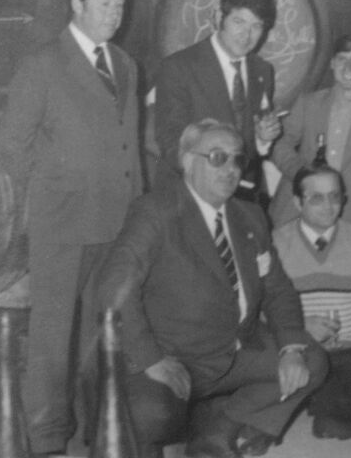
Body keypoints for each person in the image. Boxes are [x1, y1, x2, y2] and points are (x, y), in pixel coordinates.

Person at [96, 119, 326, 458]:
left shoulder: (250, 216)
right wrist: (150, 359)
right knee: (149, 417)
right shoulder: (155, 212)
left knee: (313, 361)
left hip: (237, 349)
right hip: (178, 357)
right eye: (218, 157)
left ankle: (220, 428)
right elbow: (113, 288)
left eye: (237, 159)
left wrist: (291, 348)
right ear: (188, 161)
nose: (231, 169)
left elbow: (278, 290)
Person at [0, 0, 143, 456]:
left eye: (120, 5)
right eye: (104, 4)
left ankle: (88, 432)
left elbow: (130, 145)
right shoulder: (42, 63)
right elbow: (11, 146)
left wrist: (138, 211)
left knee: (98, 335)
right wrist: (52, 186)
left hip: (115, 221)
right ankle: (46, 439)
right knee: (51, 338)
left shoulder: (126, 64)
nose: (114, 14)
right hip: (61, 223)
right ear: (77, 6)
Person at [273, 163, 351, 440]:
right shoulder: (277, 243)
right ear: (297, 202)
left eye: (334, 196)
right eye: (316, 198)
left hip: (347, 353)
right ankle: (309, 400)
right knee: (259, 399)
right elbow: (258, 307)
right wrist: (300, 327)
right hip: (296, 351)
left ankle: (320, 402)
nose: (328, 206)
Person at [154, 0, 283, 201]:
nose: (247, 35)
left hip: (245, 197)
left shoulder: (263, 71)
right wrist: (219, 178)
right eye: (239, 22)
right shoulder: (179, 67)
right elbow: (171, 144)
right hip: (191, 196)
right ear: (218, 17)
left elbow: (251, 145)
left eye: (256, 26)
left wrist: (263, 139)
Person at [269, 33, 351, 228]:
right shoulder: (308, 104)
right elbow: (280, 144)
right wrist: (302, 174)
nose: (348, 67)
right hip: (298, 211)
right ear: (332, 63)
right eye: (342, 59)